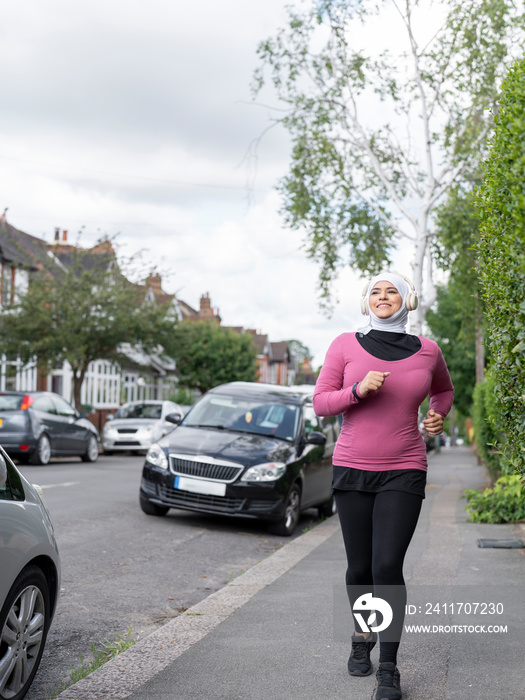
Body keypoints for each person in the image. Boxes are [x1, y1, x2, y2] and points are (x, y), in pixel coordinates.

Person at [313, 272, 453, 700]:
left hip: (404, 467)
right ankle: (361, 637)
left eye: (392, 290)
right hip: (352, 467)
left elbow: (444, 390)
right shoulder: (344, 345)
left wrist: (437, 415)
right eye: (375, 291)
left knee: (387, 566)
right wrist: (356, 390)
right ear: (366, 301)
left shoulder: (428, 351)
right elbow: (321, 403)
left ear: (406, 300)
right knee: (360, 568)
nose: (383, 296)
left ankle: (388, 670)